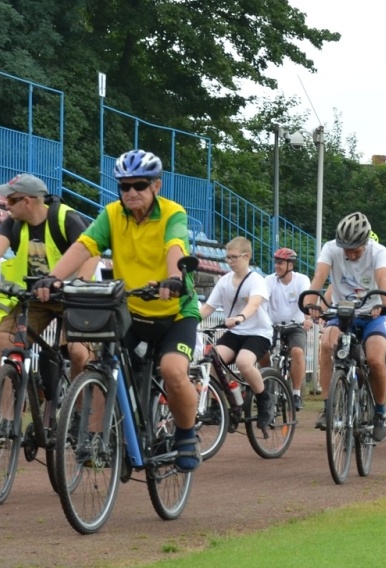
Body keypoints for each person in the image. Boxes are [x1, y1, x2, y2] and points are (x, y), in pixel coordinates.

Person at [37, 150, 201, 467]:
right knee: (101, 362)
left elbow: (175, 246)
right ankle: (95, 440)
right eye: (124, 186)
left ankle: (186, 435)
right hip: (130, 311)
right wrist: (53, 278)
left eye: (139, 185)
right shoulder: (112, 214)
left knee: (172, 370)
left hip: (175, 311)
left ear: (157, 186)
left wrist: (173, 277)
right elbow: (85, 245)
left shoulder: (172, 213)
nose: (131, 193)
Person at [0, 172, 95, 409]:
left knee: (78, 353)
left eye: (11, 200)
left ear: (28, 201)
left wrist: (78, 285)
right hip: (36, 297)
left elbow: (90, 252)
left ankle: (78, 418)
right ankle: (2, 422)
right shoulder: (12, 223)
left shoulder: (65, 218)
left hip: (72, 296)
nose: (6, 205)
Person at [308, 212, 386, 443]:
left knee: (375, 360)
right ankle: (327, 407)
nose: (351, 254)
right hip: (341, 312)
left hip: (371, 314)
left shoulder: (379, 251)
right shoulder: (331, 248)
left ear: (367, 242)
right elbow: (319, 276)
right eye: (346, 249)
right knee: (326, 344)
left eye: (356, 249)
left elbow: (383, 280)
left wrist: (384, 303)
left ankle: (380, 413)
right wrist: (311, 302)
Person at [199, 236, 275, 428]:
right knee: (211, 359)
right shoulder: (224, 281)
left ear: (246, 256)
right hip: (235, 333)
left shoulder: (256, 280)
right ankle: (220, 404)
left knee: (243, 362)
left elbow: (254, 303)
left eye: (234, 257)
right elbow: (208, 308)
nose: (230, 261)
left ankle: (265, 400)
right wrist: (189, 321)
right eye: (227, 258)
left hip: (258, 332)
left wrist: (240, 317)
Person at [263, 247, 311, 409]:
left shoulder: (301, 280)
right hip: (273, 326)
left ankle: (296, 394)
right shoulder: (269, 280)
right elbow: (262, 300)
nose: (277, 266)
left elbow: (307, 300)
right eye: (276, 262)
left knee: (297, 352)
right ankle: (264, 387)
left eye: (281, 263)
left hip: (295, 325)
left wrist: (308, 318)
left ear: (290, 265)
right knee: (262, 351)